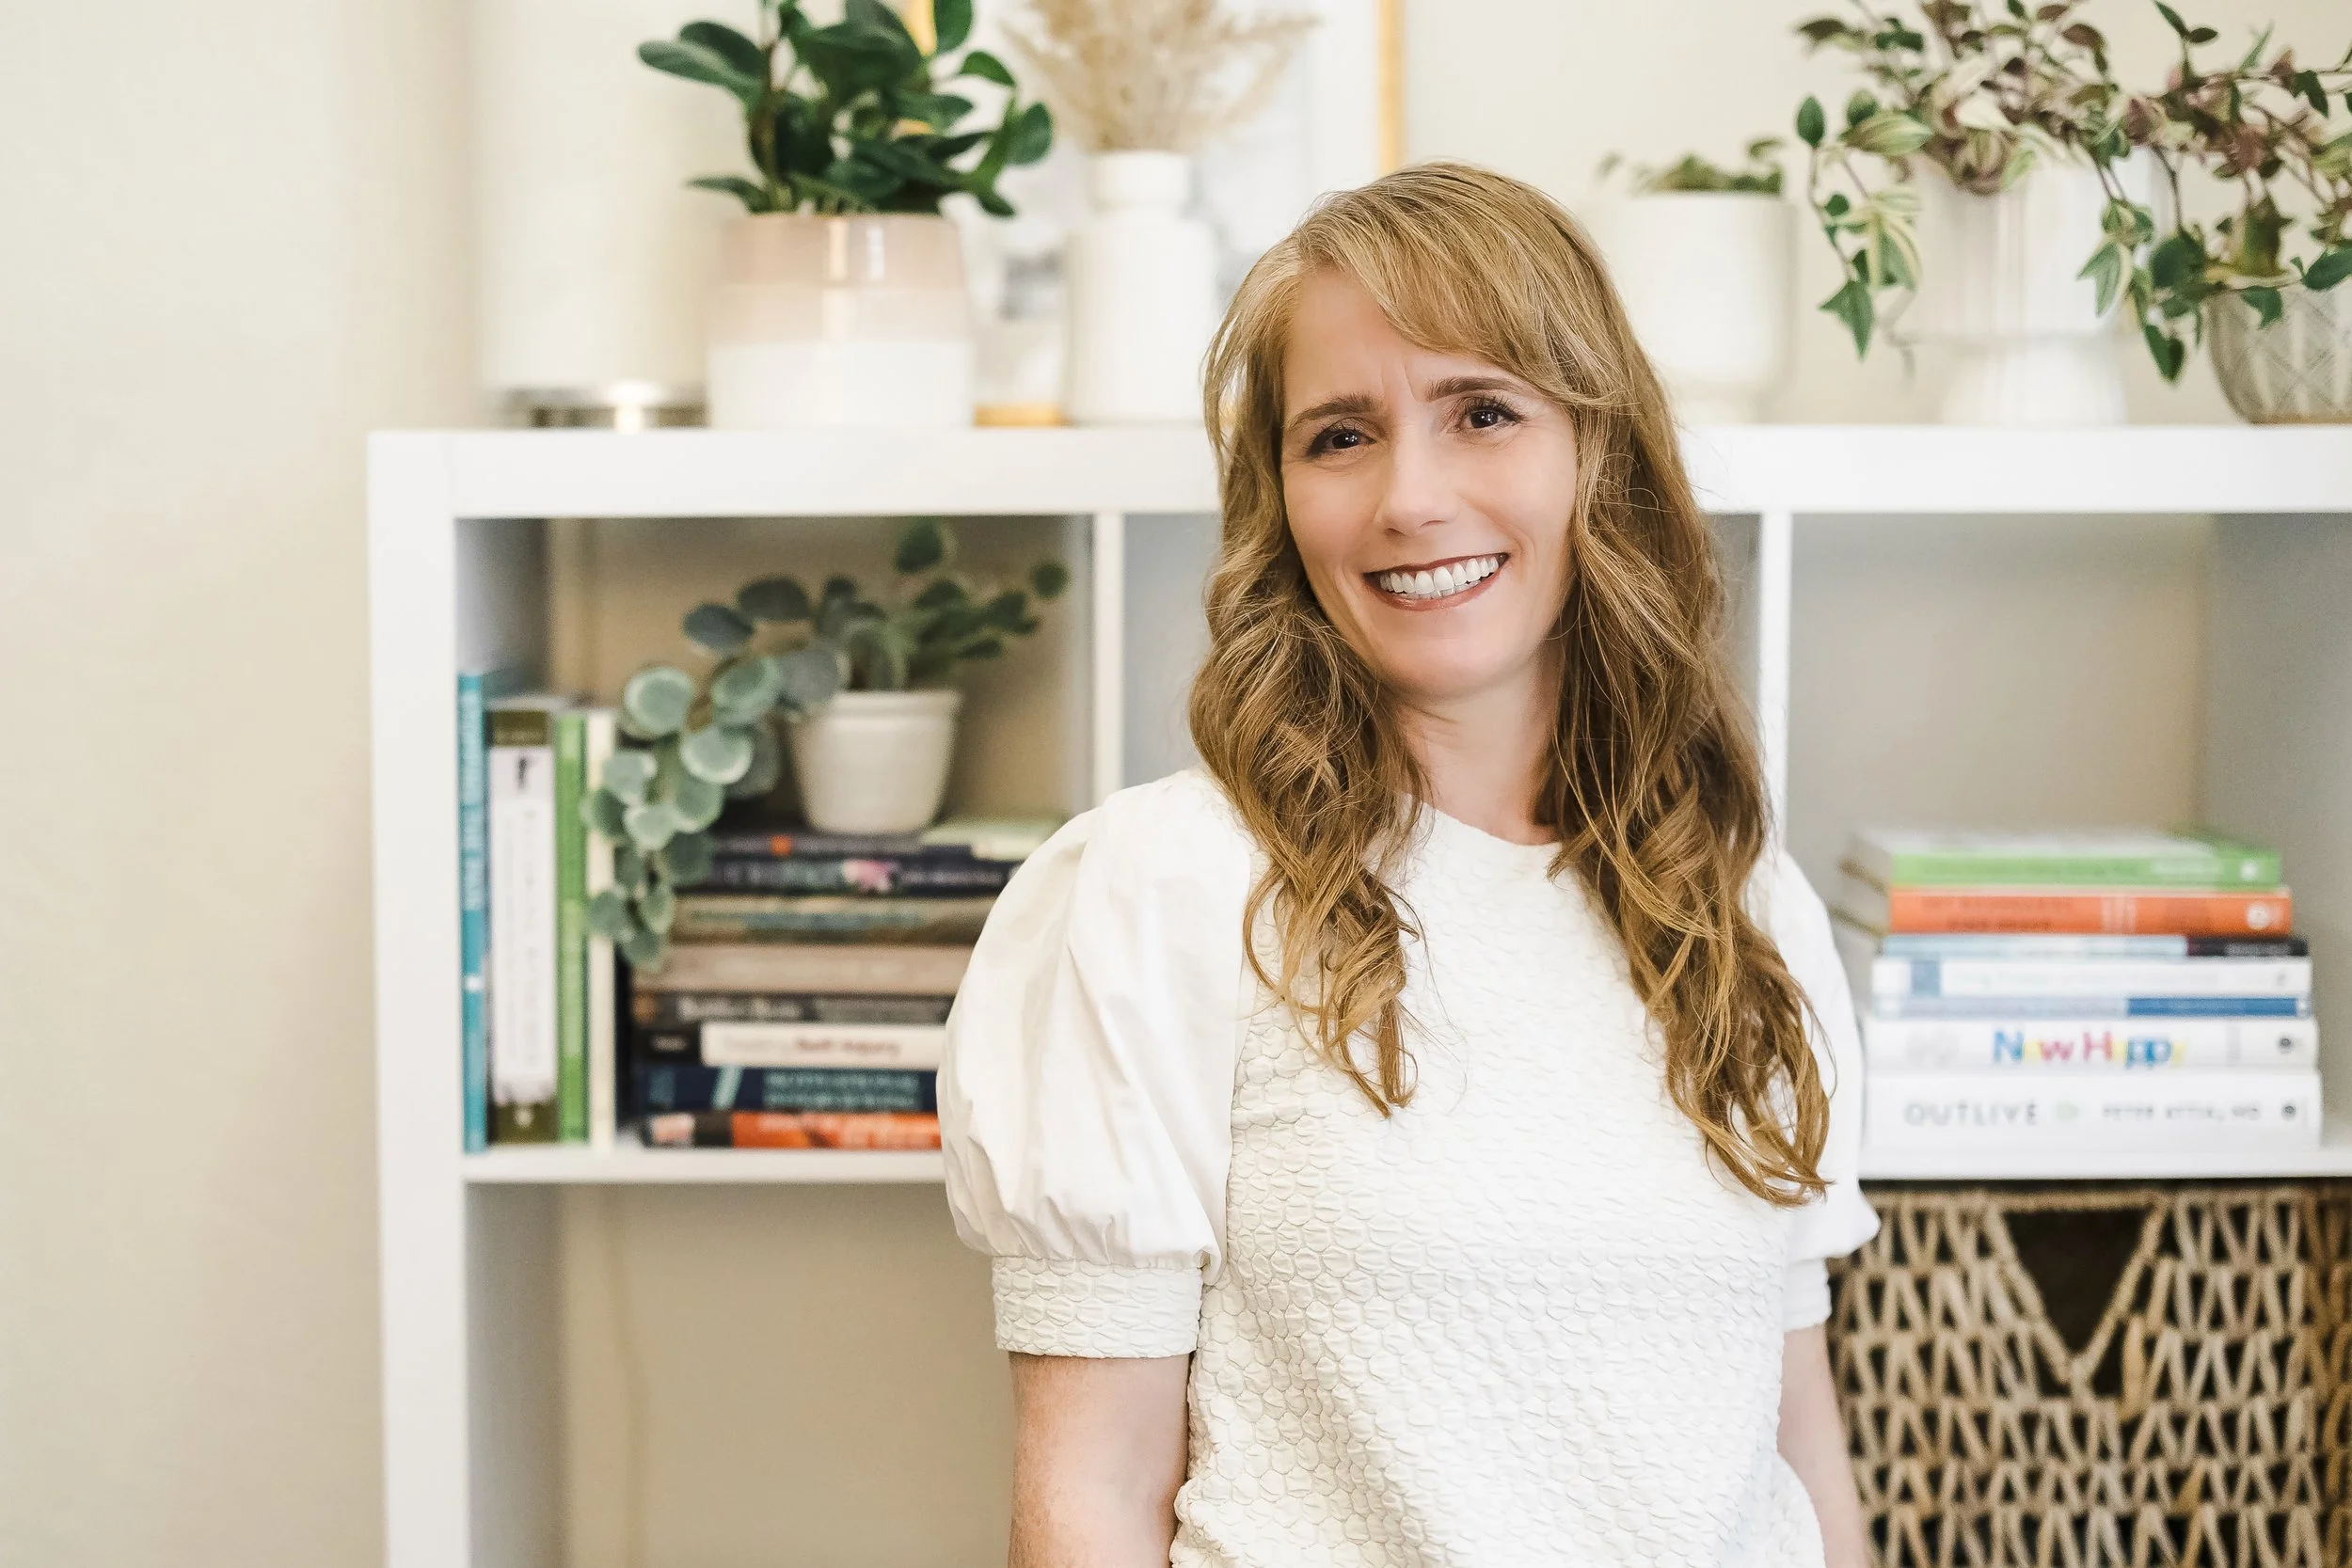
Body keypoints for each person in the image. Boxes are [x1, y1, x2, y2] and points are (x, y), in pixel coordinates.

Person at [937, 161, 1879, 1568]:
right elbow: (1089, 1494)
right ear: (1282, 497)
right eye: (1339, 436)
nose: (1410, 498)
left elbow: (1798, 1452)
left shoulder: (1746, 910)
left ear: (1598, 455)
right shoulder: (1164, 889)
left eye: (1483, 412)